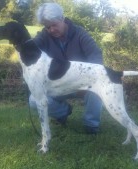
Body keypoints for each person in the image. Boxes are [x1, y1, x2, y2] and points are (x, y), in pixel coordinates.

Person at [29, 2, 103, 134]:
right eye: (47, 27)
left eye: (54, 25)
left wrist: (85, 81)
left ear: (62, 19)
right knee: (33, 99)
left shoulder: (80, 34)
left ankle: (91, 125)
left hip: (83, 83)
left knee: (98, 87)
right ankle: (62, 113)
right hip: (58, 85)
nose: (51, 30)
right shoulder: (44, 36)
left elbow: (96, 57)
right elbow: (31, 50)